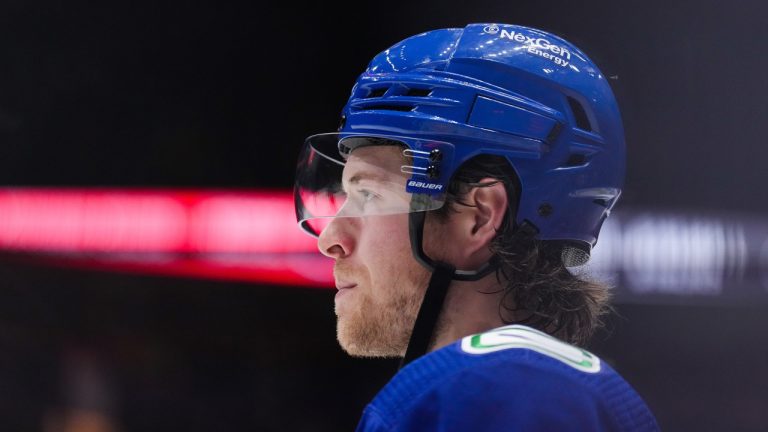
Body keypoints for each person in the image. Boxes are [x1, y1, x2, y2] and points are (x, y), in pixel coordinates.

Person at [294, 23, 659, 431]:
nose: (331, 240)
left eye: (371, 196)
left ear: (480, 216)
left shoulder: (476, 397)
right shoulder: (558, 394)